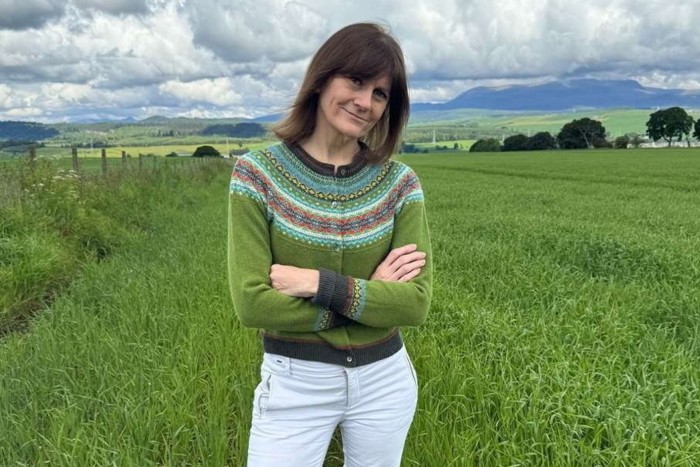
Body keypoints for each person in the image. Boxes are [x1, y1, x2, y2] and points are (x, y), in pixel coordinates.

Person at [228, 22, 432, 467]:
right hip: (294, 383)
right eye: (356, 81)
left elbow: (413, 305)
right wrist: (367, 294)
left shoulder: (399, 184)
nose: (366, 102)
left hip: (385, 381)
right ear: (322, 79)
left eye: (381, 94)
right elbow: (252, 305)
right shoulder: (257, 175)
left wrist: (318, 283)